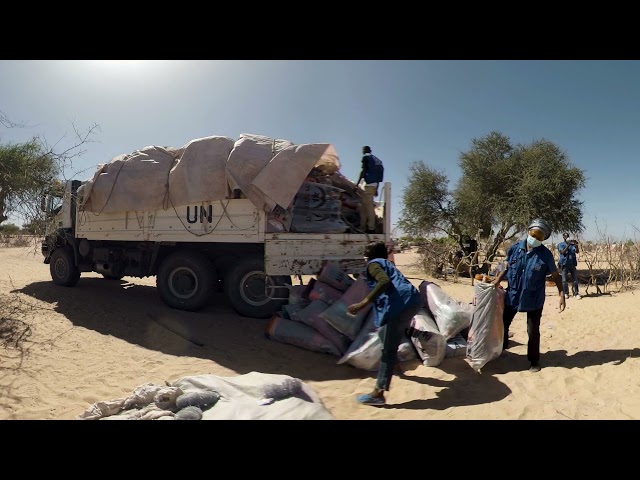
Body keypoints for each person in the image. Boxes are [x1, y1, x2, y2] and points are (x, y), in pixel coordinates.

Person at [348, 241, 422, 405]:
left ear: (368, 257)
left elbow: (383, 281)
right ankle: (395, 367)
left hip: (401, 305)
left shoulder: (373, 265)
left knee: (387, 349)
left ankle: (378, 394)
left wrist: (363, 303)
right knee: (384, 334)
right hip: (412, 300)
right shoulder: (386, 263)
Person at [492, 218, 566, 372]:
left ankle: (534, 361)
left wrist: (561, 294)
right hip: (513, 294)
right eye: (534, 234)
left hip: (534, 298)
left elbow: (555, 275)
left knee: (533, 331)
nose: (536, 238)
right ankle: (502, 349)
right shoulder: (514, 248)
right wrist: (497, 280)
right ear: (528, 231)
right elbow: (505, 266)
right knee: (503, 323)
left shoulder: (545, 255)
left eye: (540, 237)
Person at [354, 146, 384, 234]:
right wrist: (377, 188)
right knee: (364, 207)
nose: (363, 152)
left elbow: (363, 171)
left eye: (363, 150)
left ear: (365, 151)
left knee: (369, 206)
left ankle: (371, 228)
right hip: (373, 185)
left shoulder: (366, 158)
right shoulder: (377, 160)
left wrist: (356, 185)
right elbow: (379, 176)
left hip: (369, 185)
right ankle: (362, 227)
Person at [558, 232, 581, 299]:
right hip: (564, 264)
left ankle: (576, 293)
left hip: (572, 264)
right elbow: (562, 252)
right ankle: (566, 293)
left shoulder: (572, 245)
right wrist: (568, 245)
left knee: (575, 280)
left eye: (568, 236)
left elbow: (577, 251)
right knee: (564, 280)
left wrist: (576, 245)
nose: (567, 237)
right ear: (563, 237)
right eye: (566, 236)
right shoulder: (561, 244)